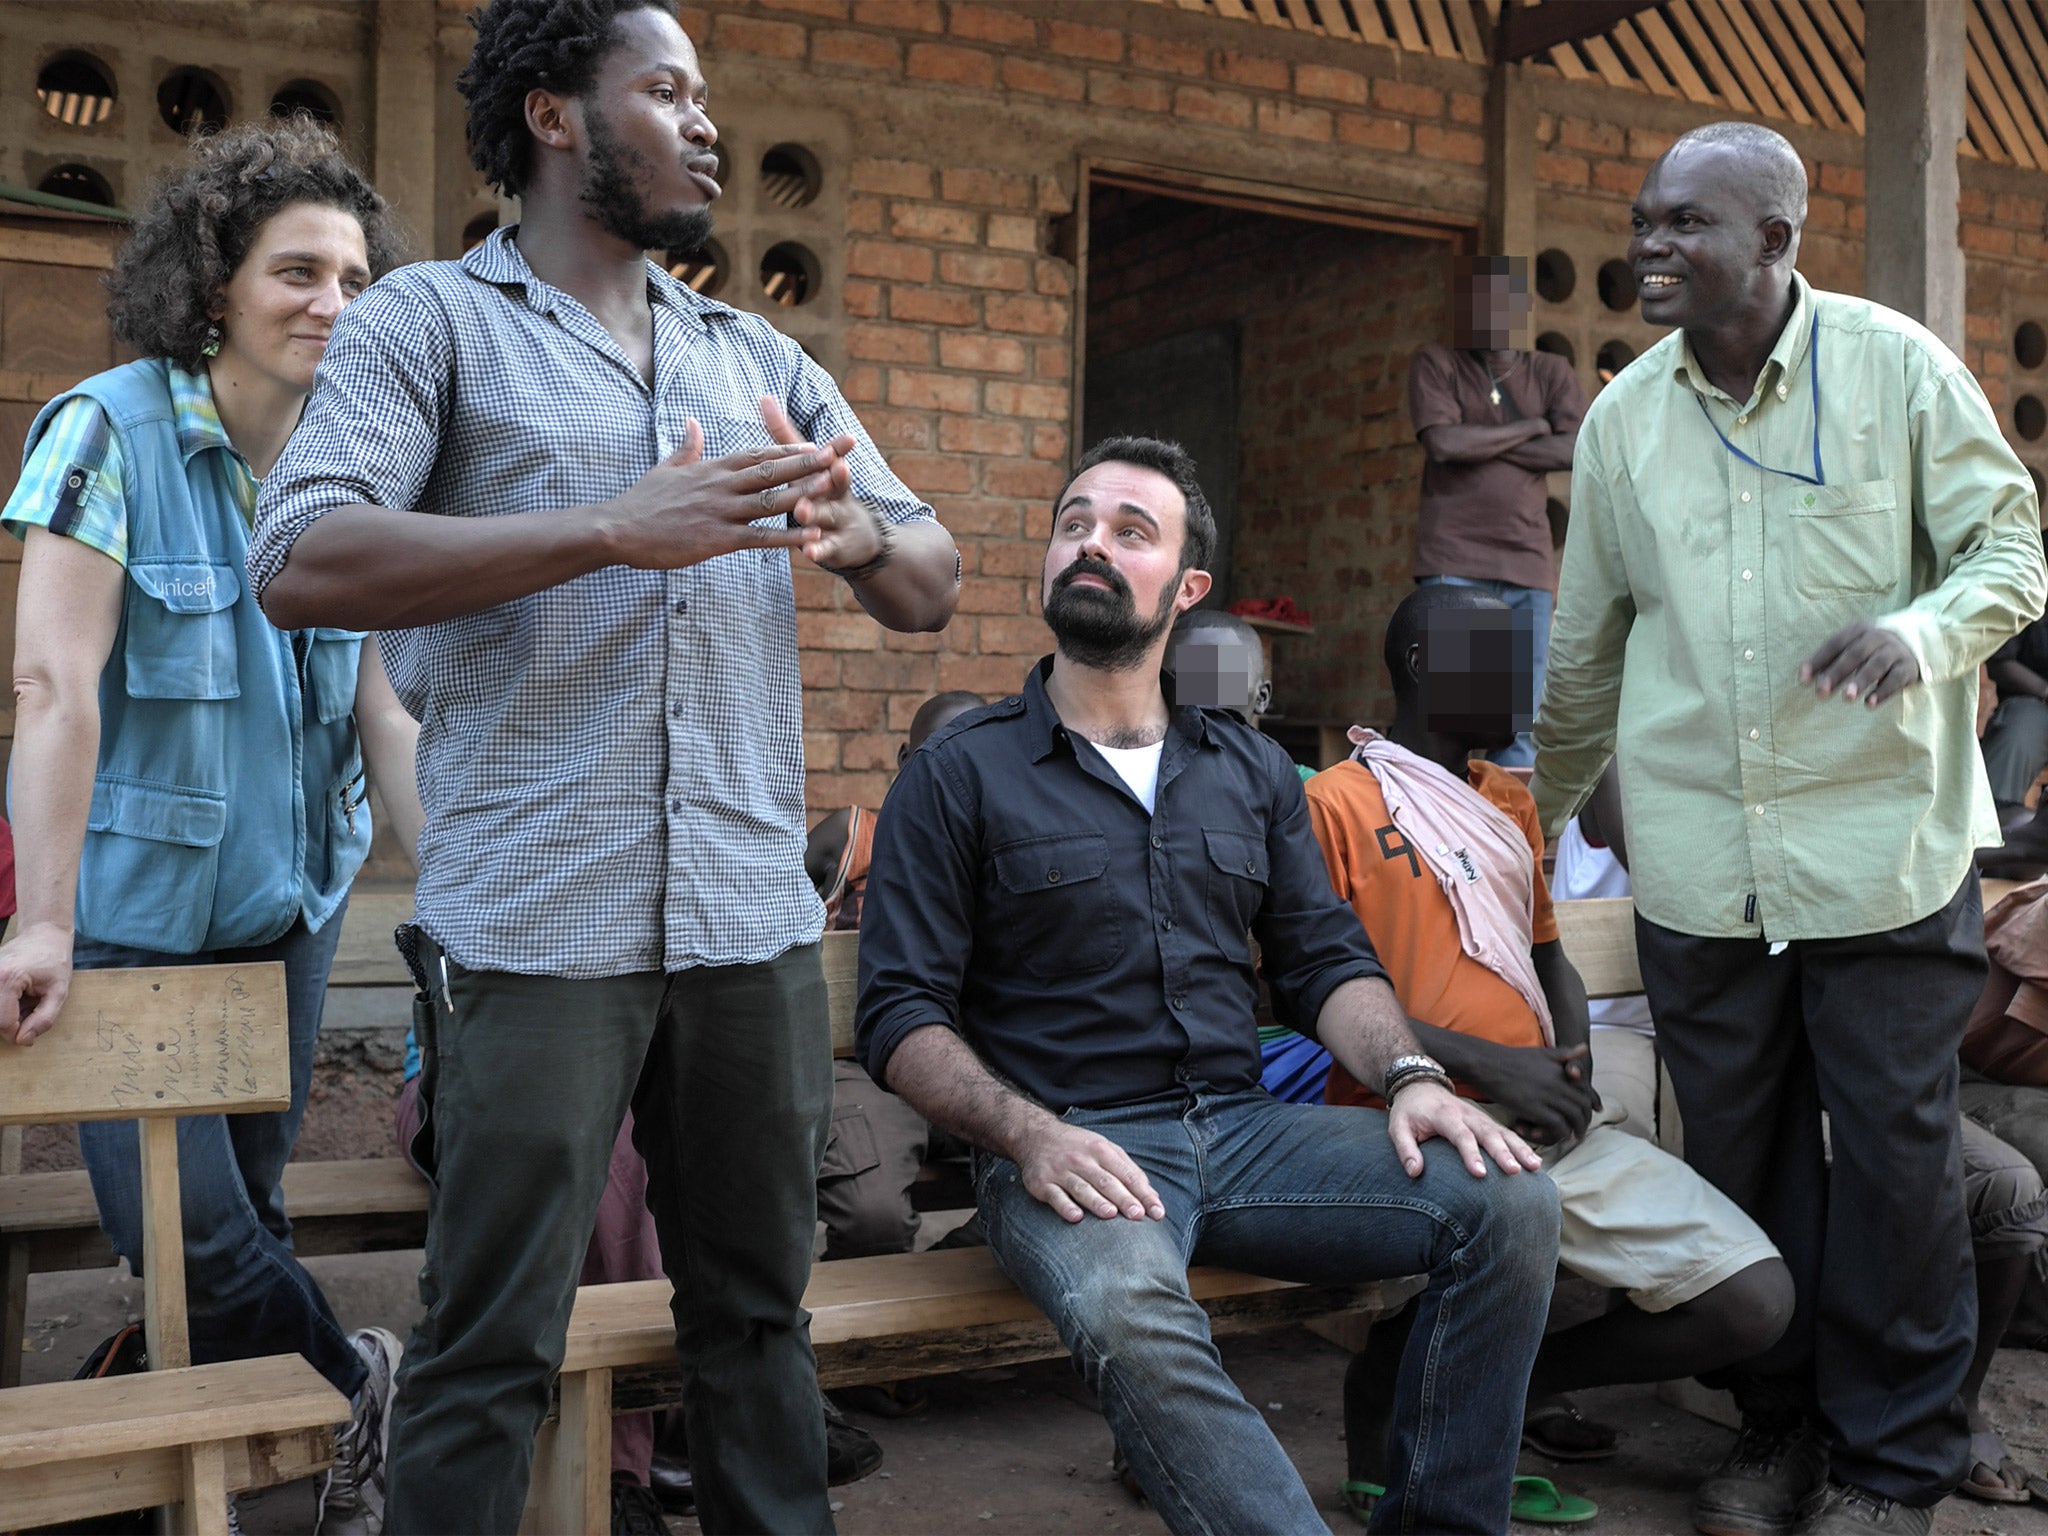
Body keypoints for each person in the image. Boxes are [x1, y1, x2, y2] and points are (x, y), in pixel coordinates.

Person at [244, 1, 961, 1529]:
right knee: (493, 1339)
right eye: (668, 90)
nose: (706, 122)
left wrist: (861, 536)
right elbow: (299, 556)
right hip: (539, 925)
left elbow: (933, 579)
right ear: (557, 116)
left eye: (706, 95)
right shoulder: (424, 323)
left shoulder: (751, 351)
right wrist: (608, 531)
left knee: (760, 1327)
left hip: (747, 925)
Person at [857, 434, 1561, 1536]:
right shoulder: (960, 775)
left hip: (1246, 1136)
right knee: (1135, 1304)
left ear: (1186, 587)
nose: (1091, 543)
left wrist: (1412, 1075)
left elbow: (1323, 960)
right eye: (1074, 523)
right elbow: (897, 1015)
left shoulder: (1240, 771)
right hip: (1071, 1149)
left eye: (1130, 531)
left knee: (1511, 1204)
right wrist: (1030, 1137)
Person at [1531, 121, 2047, 1536]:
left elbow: (2013, 553)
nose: (1649, 245)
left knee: (1894, 1166)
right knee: (1739, 1173)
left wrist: (1922, 631)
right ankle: (1775, 1428)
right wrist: (1540, 814)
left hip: (1878, 855)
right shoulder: (1624, 419)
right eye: (1641, 220)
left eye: (1684, 223)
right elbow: (1585, 649)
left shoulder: (1896, 371)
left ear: (1775, 238)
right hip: (1702, 872)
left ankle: (1892, 1468)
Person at [0, 118, 416, 1535]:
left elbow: (386, 710)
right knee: (185, 1233)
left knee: (248, 1211)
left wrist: (455, 903)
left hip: (293, 909)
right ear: (215, 283)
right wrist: (42, 915)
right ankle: (365, 1391)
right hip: (134, 919)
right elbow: (55, 685)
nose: (330, 304)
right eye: (296, 270)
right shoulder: (107, 431)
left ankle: (231, 1482)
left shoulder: (355, 464)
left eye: (355, 277)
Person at [1312, 584, 1791, 1524]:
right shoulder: (1334, 804)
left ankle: (1479, 1380)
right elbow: (1311, 990)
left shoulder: (1509, 804)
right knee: (1502, 1233)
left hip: (1539, 1115)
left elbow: (1548, 957)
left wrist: (1565, 1061)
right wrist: (1493, 1071)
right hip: (1405, 1120)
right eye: (1496, 659)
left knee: (1752, 1301)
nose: (1522, 683)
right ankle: (1402, 1388)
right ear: (1420, 665)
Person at [1409, 254, 1587, 767]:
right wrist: (1532, 428)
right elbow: (1443, 444)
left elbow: (1576, 450)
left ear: (1523, 308)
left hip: (1527, 560)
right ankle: (1450, 830)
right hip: (1454, 561)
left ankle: (1512, 831)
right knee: (1453, 711)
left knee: (1521, 715)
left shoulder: (1549, 371)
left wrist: (1479, 440)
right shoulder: (1438, 364)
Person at [1164, 609, 1332, 1104]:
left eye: (1225, 697)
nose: (1207, 720)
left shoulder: (1315, 798)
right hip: (1173, 1059)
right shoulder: (1139, 797)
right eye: (1191, 690)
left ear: (1263, 697)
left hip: (1302, 1049)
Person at [1549, 758, 1665, 1145]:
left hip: (1690, 1011)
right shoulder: (1608, 761)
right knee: (1615, 1136)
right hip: (1608, 1020)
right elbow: (1657, 875)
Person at [1978, 609, 2048, 875]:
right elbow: (2000, 662)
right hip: (2036, 702)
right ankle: (1991, 845)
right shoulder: (2034, 580)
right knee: (2020, 731)